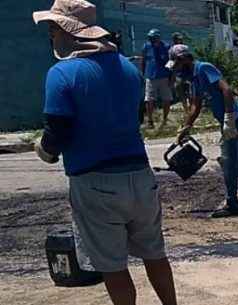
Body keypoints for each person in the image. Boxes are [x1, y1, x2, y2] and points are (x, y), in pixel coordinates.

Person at [31, 1, 178, 305]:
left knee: (113, 267)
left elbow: (58, 133)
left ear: (65, 32)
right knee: (155, 254)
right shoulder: (127, 67)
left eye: (52, 29)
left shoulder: (62, 73)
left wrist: (44, 150)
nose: (51, 36)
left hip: (95, 181)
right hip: (139, 176)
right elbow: (135, 118)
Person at [168, 44, 238, 218]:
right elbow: (196, 104)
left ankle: (232, 204)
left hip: (235, 119)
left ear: (184, 59)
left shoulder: (204, 68)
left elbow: (226, 90)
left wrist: (229, 119)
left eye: (177, 65)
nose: (177, 70)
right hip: (228, 120)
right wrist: (185, 127)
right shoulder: (194, 78)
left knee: (228, 162)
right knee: (236, 161)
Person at [141, 29, 173, 128]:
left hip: (164, 76)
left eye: (153, 38)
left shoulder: (166, 47)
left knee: (166, 99)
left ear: (158, 37)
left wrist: (171, 76)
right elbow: (143, 60)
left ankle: (164, 120)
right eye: (150, 38)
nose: (151, 39)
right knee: (149, 99)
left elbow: (171, 61)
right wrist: (143, 74)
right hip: (151, 77)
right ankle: (150, 121)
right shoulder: (146, 46)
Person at [167, 32, 190, 113]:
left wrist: (171, 77)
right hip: (186, 74)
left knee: (182, 94)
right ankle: (189, 110)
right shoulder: (186, 47)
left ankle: (187, 110)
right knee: (188, 93)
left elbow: (171, 63)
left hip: (179, 75)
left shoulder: (172, 49)